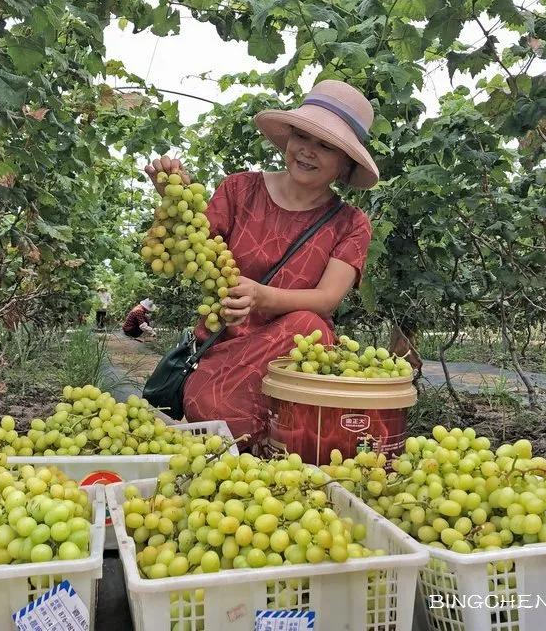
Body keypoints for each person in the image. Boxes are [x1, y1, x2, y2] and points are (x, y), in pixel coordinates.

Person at [144, 80, 376, 451]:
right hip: (227, 343)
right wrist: (173, 200)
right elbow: (190, 252)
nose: (307, 151)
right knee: (212, 407)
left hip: (292, 354)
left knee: (308, 325)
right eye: (302, 136)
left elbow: (327, 299)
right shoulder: (239, 190)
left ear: (346, 162)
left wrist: (261, 296)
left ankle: (270, 444)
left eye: (325, 145)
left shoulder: (350, 223)